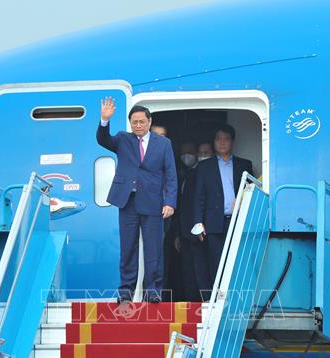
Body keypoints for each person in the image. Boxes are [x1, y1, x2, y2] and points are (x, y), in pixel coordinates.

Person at [96, 97, 177, 307]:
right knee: (128, 249)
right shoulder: (123, 139)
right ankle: (126, 292)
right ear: (130, 123)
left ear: (149, 122)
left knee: (154, 249)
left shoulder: (164, 143)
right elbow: (103, 140)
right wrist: (105, 120)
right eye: (134, 122)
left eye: (142, 121)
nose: (138, 125)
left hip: (153, 202)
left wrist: (170, 202)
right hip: (128, 202)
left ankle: (153, 291)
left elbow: (171, 175)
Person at [192, 125, 253, 299]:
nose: (222, 142)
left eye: (226, 138)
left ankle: (237, 298)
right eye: (218, 139)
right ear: (214, 142)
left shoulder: (245, 165)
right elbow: (198, 197)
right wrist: (198, 222)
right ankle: (218, 299)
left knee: (238, 261)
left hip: (238, 221)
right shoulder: (204, 167)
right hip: (214, 223)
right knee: (216, 263)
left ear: (232, 141)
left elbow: (252, 191)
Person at [174, 141, 214, 302]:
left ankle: (206, 301)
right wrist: (179, 233)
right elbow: (182, 205)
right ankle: (192, 301)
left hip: (205, 231)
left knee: (204, 269)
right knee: (190, 271)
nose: (202, 156)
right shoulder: (188, 174)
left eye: (206, 153)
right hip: (187, 231)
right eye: (200, 153)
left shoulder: (205, 174)